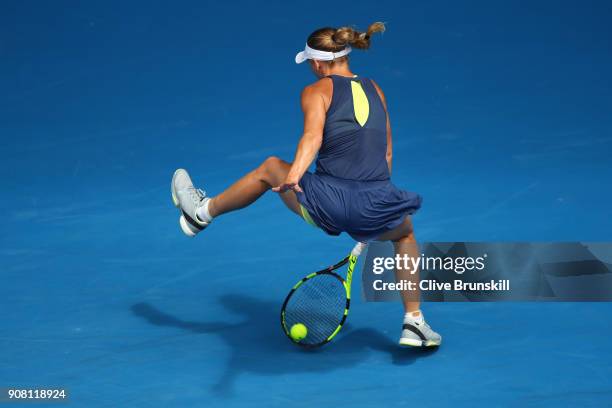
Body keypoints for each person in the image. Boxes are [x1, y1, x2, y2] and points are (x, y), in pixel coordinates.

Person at [171, 22, 441, 347]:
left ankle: (201, 212)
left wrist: (295, 174)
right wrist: (377, 206)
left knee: (271, 167)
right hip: (378, 203)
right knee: (406, 234)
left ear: (316, 63)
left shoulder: (316, 91)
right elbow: (386, 153)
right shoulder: (377, 89)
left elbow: (312, 136)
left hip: (327, 204)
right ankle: (414, 322)